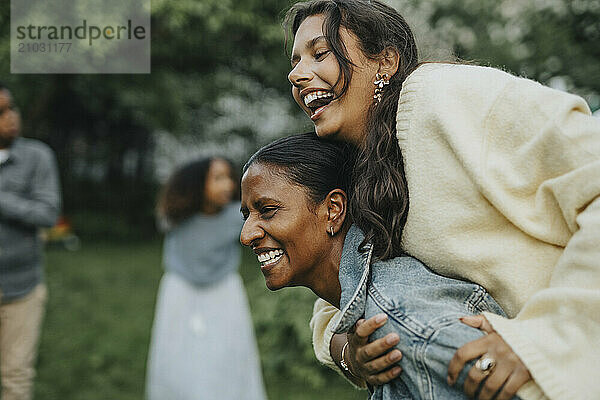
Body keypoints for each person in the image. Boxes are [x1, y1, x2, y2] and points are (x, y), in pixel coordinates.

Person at [283, 1, 600, 399]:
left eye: (320, 52)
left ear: (385, 61)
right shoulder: (359, 166)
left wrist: (545, 339)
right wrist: (349, 351)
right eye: (295, 62)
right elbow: (342, 285)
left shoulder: (448, 98)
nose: (296, 74)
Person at [240, 133, 515, 399]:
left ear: (333, 210)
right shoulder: (367, 303)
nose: (246, 234)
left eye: (267, 210)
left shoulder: (394, 320)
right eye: (246, 215)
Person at [145, 157, 267, 400]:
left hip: (224, 291)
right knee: (177, 351)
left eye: (229, 178)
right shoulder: (176, 215)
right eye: (218, 178)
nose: (228, 185)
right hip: (180, 291)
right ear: (196, 184)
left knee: (227, 349)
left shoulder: (237, 217)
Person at [0, 83, 61, 400]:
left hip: (22, 288)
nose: (10, 117)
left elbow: (47, 214)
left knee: (16, 377)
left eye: (11, 107)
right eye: (0, 113)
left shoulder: (37, 157)